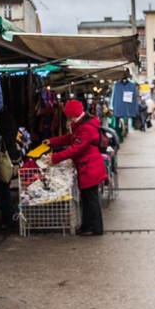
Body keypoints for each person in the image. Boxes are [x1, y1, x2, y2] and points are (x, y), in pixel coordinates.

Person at [43, 99, 107, 236]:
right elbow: (70, 138)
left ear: (72, 115)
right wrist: (52, 142)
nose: (68, 119)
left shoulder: (86, 128)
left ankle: (94, 228)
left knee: (91, 199)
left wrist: (55, 158)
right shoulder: (82, 124)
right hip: (88, 166)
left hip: (90, 167)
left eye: (68, 116)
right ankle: (87, 226)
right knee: (88, 198)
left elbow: (75, 149)